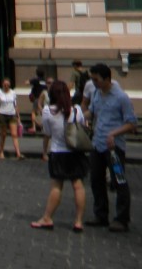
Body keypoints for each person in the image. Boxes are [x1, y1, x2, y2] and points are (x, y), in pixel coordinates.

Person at [30, 80, 89, 232]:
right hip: (75, 152)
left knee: (57, 186)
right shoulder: (76, 110)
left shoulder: (48, 111)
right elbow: (82, 125)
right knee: (78, 185)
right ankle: (78, 221)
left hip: (58, 152)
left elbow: (47, 133)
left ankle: (47, 218)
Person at [86, 63, 138, 232]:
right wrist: (75, 114)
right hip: (97, 144)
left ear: (107, 78)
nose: (94, 83)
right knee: (96, 180)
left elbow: (132, 123)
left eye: (96, 79)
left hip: (114, 148)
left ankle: (122, 218)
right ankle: (101, 215)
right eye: (92, 79)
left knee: (118, 181)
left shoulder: (121, 97)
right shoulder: (96, 94)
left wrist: (114, 133)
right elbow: (91, 113)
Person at [0, 78, 23, 160]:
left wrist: (18, 116)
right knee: (3, 134)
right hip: (2, 114)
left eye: (8, 85)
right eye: (5, 84)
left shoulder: (13, 93)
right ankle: (1, 152)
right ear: (2, 84)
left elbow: (15, 105)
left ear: (10, 85)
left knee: (14, 134)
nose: (6, 86)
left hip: (12, 114)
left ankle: (18, 153)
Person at [28, 68, 47, 134]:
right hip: (44, 99)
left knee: (33, 112)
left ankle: (34, 127)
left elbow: (27, 82)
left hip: (37, 98)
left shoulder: (36, 79)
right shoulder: (45, 80)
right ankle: (44, 127)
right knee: (42, 112)